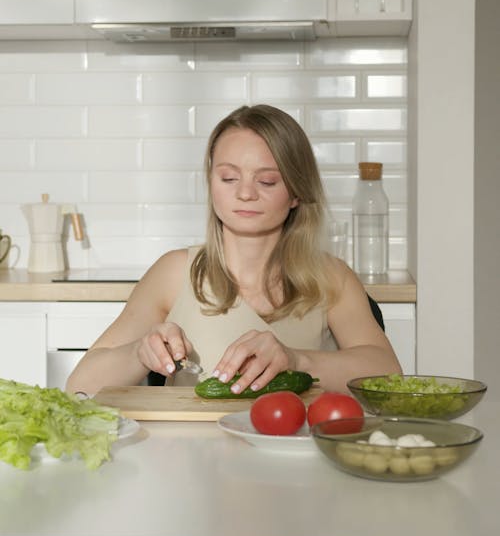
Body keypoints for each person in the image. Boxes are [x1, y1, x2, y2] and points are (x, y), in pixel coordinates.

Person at [67, 104, 401, 397]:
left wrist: (296, 360)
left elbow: (388, 375)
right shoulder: (173, 272)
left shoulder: (331, 277)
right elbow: (80, 384)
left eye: (267, 181)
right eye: (228, 178)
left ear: (297, 192)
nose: (245, 193)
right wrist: (138, 354)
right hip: (188, 459)